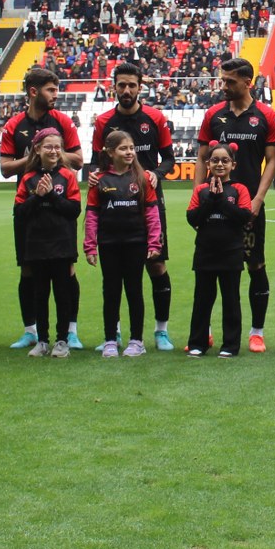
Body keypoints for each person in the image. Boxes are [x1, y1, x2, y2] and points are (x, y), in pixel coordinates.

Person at [198, 57, 275, 352]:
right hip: (214, 206)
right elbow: (202, 158)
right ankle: (204, 333)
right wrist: (199, 194)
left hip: (247, 207)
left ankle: (256, 332)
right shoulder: (213, 115)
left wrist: (258, 199)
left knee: (255, 264)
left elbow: (272, 161)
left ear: (248, 83)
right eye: (223, 80)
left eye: (230, 81)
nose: (224, 86)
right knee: (208, 268)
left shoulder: (266, 116)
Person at [93, 62, 178, 351]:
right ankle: (114, 333)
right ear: (114, 87)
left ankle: (161, 331)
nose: (127, 90)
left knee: (156, 264)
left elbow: (169, 158)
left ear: (140, 87)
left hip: (149, 200)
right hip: (113, 203)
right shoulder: (104, 122)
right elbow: (96, 161)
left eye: (132, 85)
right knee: (114, 273)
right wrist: (94, 175)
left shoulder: (155, 118)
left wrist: (156, 173)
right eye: (122, 85)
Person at [0, 67, 84, 349]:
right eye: (50, 90)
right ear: (33, 91)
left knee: (67, 270)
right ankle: (31, 331)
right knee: (27, 269)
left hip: (59, 206)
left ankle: (70, 331)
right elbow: (5, 168)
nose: (55, 95)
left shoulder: (62, 121)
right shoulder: (14, 125)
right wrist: (35, 159)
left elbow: (79, 160)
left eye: (56, 89)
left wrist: (51, 153)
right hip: (29, 205)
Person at [86, 128, 163, 358]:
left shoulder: (142, 178)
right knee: (110, 292)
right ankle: (110, 339)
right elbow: (92, 215)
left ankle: (137, 340)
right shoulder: (99, 180)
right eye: (123, 148)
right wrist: (90, 245)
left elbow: (152, 214)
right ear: (110, 152)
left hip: (135, 243)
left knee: (134, 291)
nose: (129, 152)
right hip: (109, 244)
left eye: (131, 148)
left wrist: (154, 243)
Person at [13, 129, 82, 358]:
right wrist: (38, 196)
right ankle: (42, 340)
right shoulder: (28, 178)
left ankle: (62, 340)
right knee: (40, 295)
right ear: (37, 149)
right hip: (36, 245)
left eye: (57, 147)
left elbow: (74, 210)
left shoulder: (67, 176)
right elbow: (19, 212)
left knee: (62, 294)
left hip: (62, 245)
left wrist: (51, 195)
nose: (53, 151)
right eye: (48, 147)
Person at [185, 142, 256, 359]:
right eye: (215, 160)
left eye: (225, 160)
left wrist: (221, 201)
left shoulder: (240, 189)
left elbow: (244, 217)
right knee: (202, 300)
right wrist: (212, 200)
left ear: (233, 164)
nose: (220, 164)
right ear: (208, 164)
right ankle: (198, 343)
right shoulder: (201, 190)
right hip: (205, 252)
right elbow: (193, 217)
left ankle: (230, 345)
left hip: (231, 253)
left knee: (231, 300)